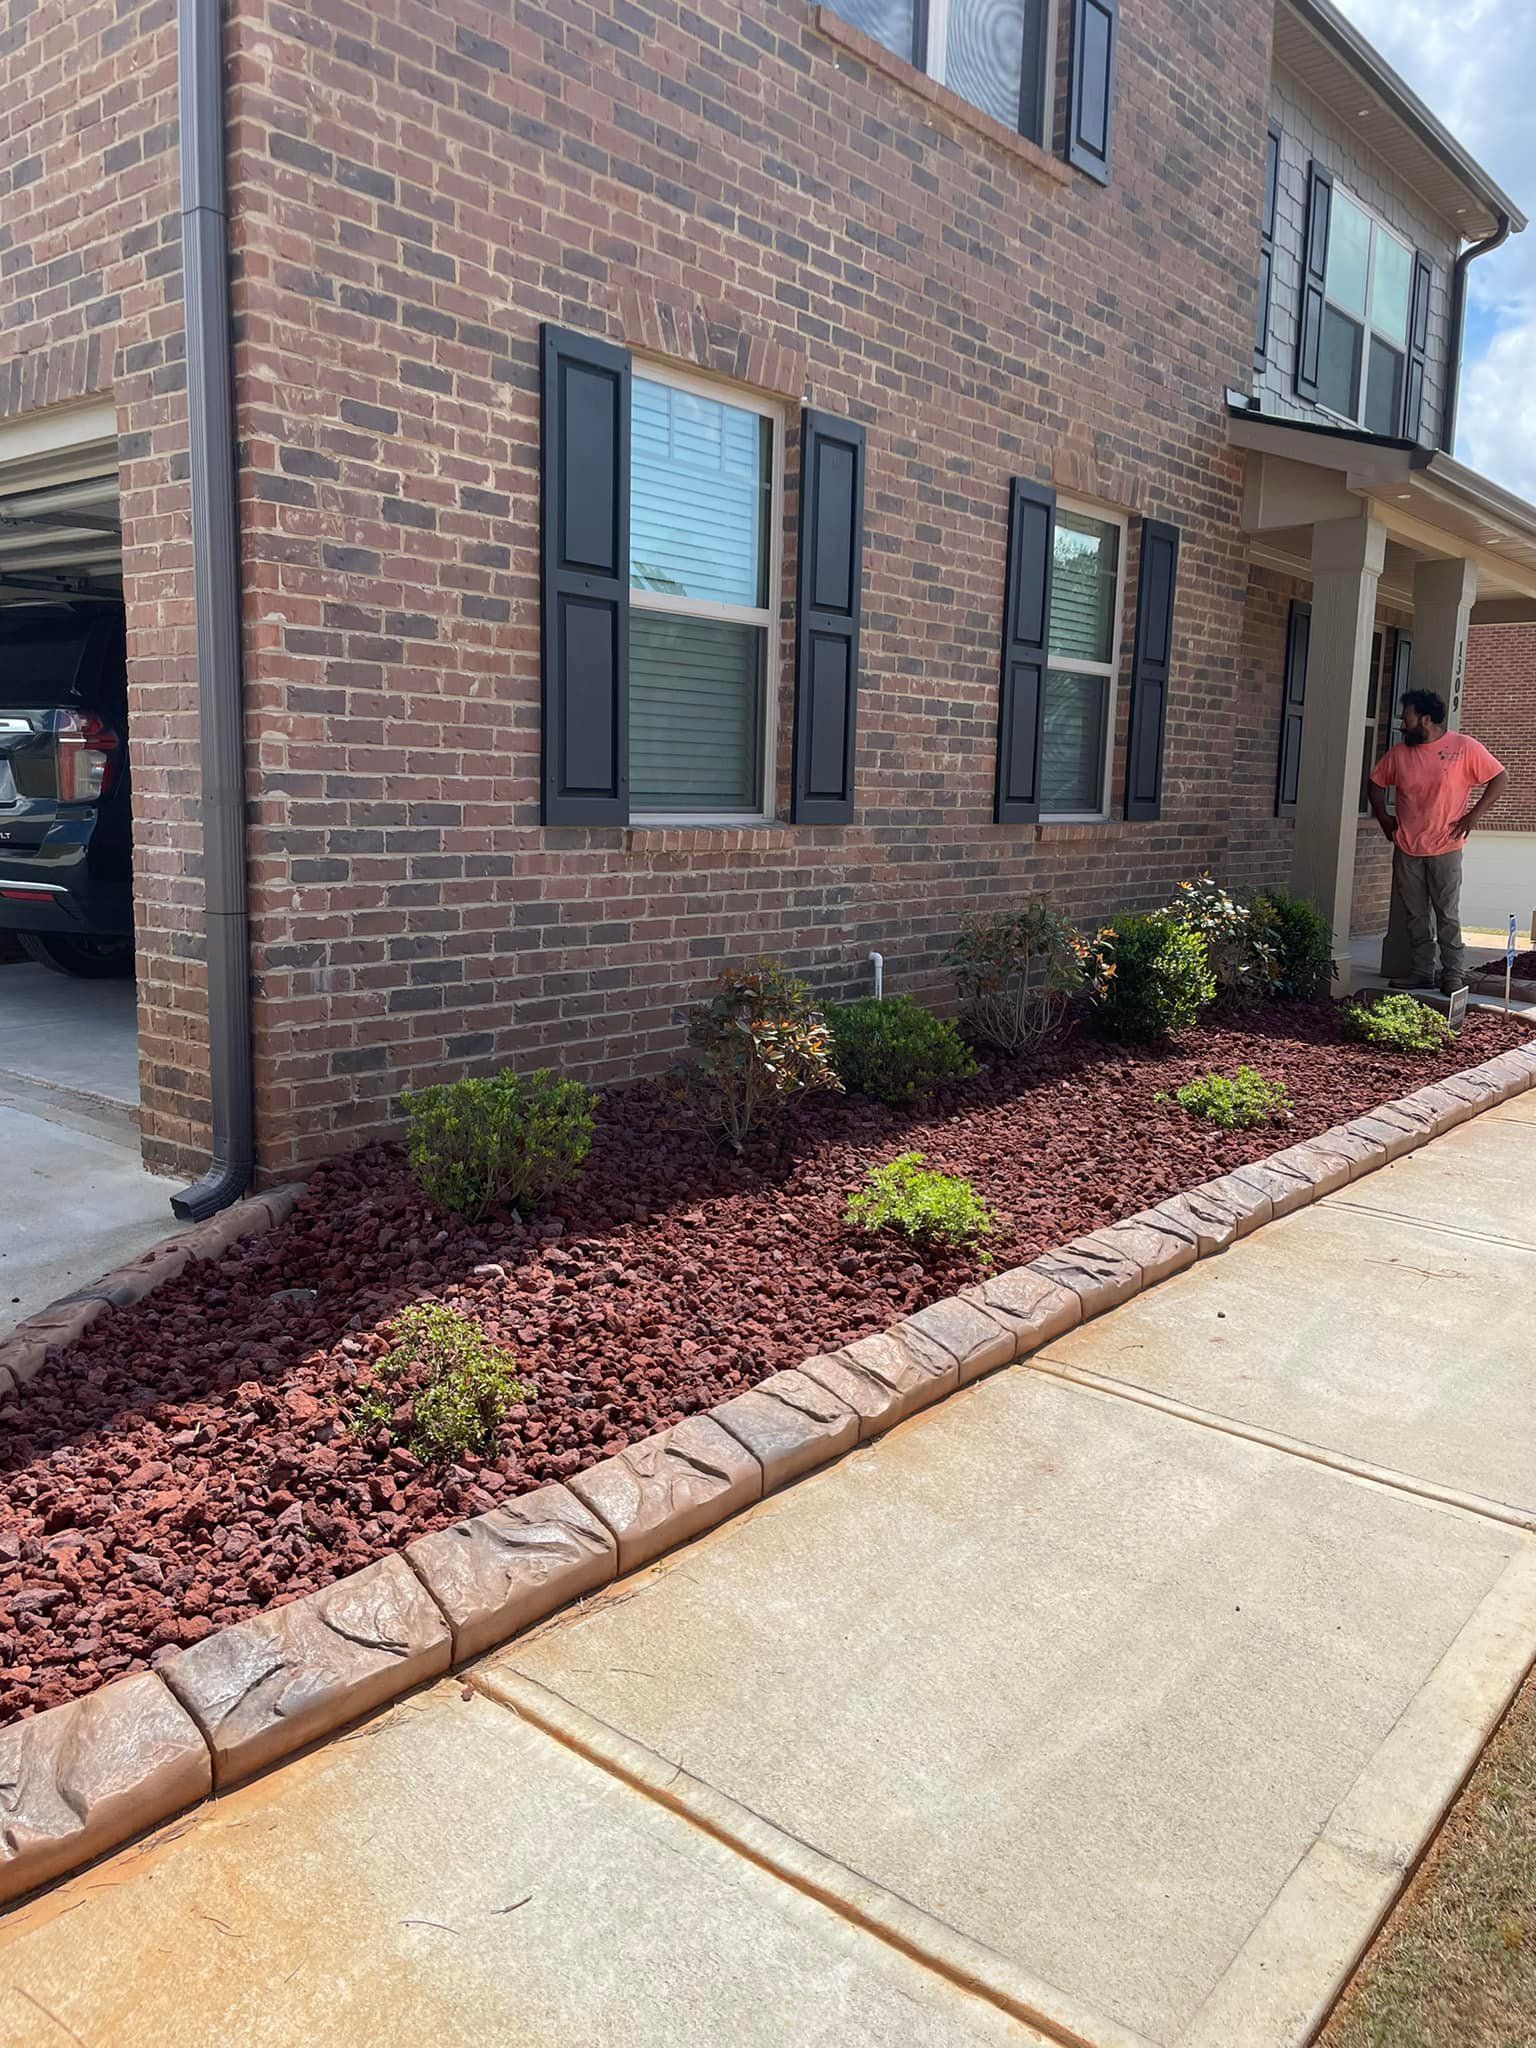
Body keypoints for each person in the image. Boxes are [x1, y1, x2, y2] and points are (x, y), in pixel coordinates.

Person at [1367, 689, 1506, 994]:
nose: (1402, 725)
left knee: (1446, 913)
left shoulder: (1464, 748)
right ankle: (1421, 971)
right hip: (1407, 846)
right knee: (1415, 914)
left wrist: (1473, 816)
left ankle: (1453, 973)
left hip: (1446, 845)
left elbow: (1499, 777)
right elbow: (1375, 785)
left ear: (1426, 720)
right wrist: (1384, 819)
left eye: (1407, 719)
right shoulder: (1399, 755)